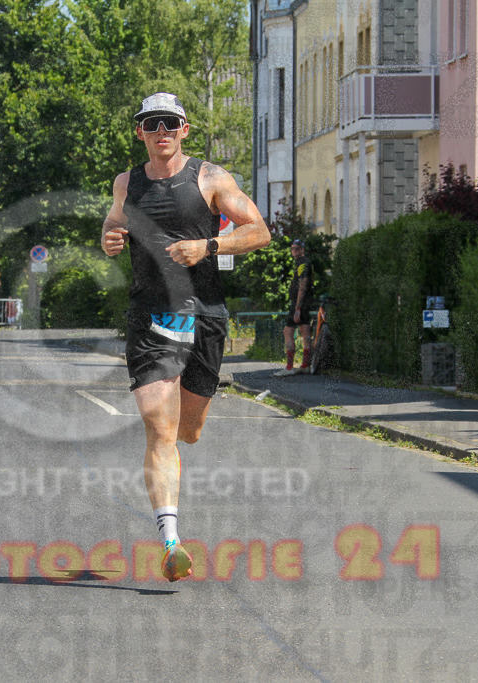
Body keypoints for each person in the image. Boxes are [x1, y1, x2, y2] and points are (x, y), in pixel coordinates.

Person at [101, 92, 271, 581]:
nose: (162, 131)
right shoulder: (126, 183)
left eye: (170, 123)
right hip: (151, 317)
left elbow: (258, 231)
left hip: (205, 316)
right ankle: (172, 541)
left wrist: (210, 245)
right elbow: (114, 229)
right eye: (152, 124)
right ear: (140, 132)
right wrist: (111, 238)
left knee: (186, 431)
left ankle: (171, 453)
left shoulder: (210, 179)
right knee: (159, 429)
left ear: (184, 129)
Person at [275, 239, 314, 377]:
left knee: (288, 331)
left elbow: (302, 286)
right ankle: (305, 365)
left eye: (297, 248)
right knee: (305, 332)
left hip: (299, 304)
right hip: (305, 303)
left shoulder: (303, 264)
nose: (294, 251)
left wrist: (297, 308)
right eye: (292, 248)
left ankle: (290, 366)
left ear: (303, 249)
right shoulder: (302, 263)